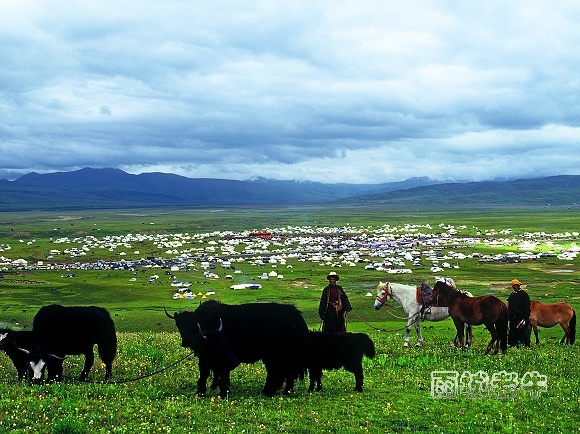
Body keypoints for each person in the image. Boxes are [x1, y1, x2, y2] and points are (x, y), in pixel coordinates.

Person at [507, 279, 531, 347]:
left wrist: (525, 318)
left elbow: (527, 307)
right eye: (514, 286)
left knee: (524, 331)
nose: (515, 287)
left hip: (521, 317)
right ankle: (513, 344)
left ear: (519, 286)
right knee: (513, 331)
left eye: (516, 286)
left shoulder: (524, 295)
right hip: (513, 317)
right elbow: (510, 306)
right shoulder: (512, 295)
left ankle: (526, 345)